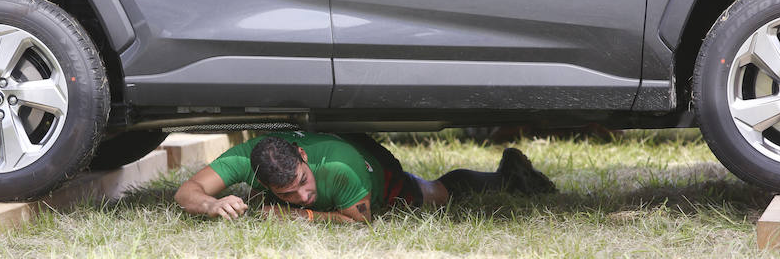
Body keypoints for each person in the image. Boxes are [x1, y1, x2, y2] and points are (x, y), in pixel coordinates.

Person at [174, 131, 555, 222]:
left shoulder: (339, 167)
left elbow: (360, 224)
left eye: (304, 183)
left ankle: (510, 175)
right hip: (341, 150)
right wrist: (212, 203)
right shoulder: (246, 157)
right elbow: (186, 191)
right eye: (287, 194)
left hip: (375, 171)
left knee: (435, 192)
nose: (304, 195)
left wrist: (300, 215)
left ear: (302, 157)